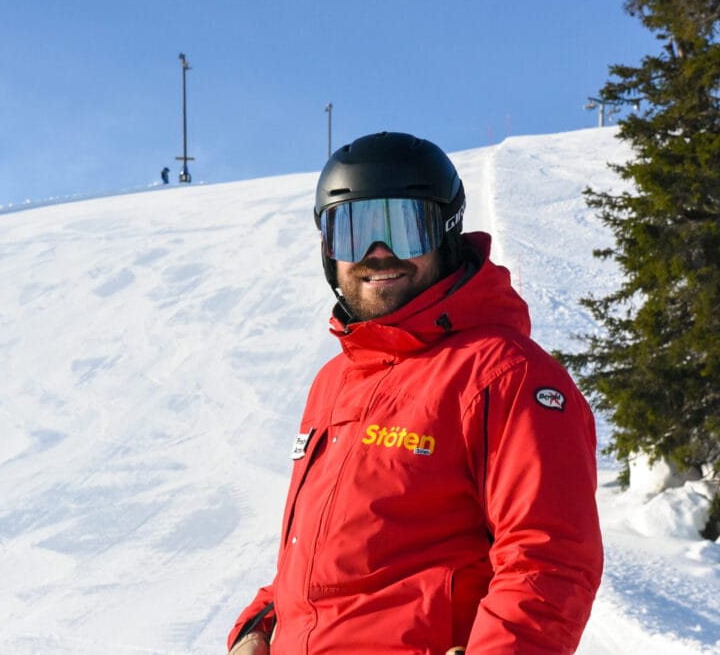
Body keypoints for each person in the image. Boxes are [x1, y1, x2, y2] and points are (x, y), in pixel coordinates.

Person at [227, 132, 603, 654]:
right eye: (353, 231)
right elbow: (322, 567)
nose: (379, 254)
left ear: (446, 234)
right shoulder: (333, 382)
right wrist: (260, 626)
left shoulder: (504, 375)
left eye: (405, 228)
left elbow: (548, 563)